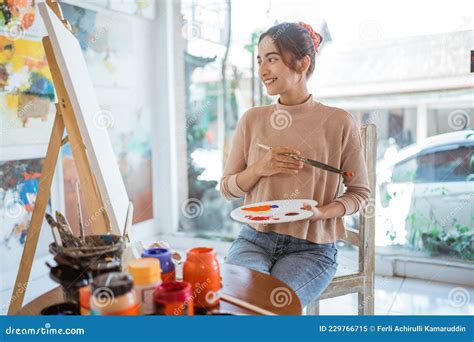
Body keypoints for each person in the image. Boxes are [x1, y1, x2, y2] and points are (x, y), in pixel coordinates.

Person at [220, 22, 370, 309]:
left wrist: (323, 212)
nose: (262, 69)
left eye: (272, 59)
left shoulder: (339, 121)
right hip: (254, 240)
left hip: (312, 248)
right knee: (238, 306)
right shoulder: (251, 119)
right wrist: (259, 168)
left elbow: (360, 194)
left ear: (303, 63)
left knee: (270, 308)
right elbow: (227, 189)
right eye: (260, 60)